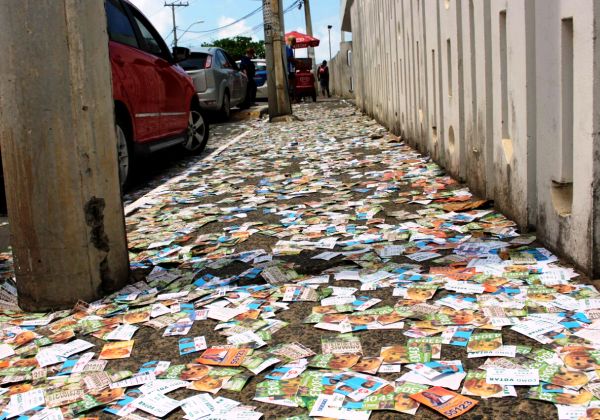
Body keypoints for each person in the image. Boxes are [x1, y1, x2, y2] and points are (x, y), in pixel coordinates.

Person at [286, 36, 297, 101]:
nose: (295, 43)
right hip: (289, 69)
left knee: (293, 84)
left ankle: (294, 98)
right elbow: (289, 58)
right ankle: (291, 99)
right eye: (294, 41)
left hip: (291, 68)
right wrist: (297, 61)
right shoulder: (288, 47)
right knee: (291, 84)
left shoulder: (289, 47)